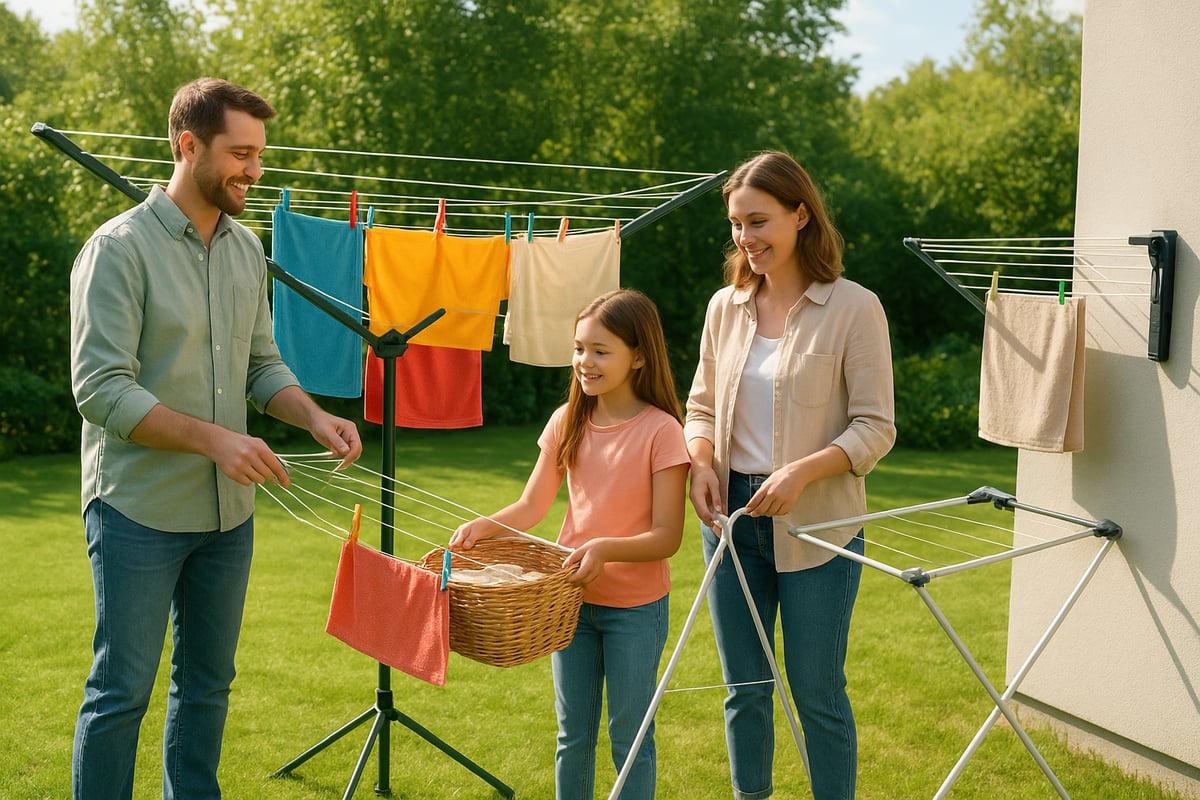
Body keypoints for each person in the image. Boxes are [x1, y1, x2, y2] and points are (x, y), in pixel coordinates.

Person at [68, 77, 363, 800]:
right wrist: (213, 442)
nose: (254, 172)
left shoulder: (245, 249)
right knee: (122, 692)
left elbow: (261, 365)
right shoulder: (118, 250)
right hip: (137, 508)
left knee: (207, 685)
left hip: (228, 515)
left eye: (259, 156)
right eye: (240, 154)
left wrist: (314, 417)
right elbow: (101, 389)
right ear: (187, 145)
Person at [684, 151, 896, 800]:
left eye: (758, 221)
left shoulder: (855, 308)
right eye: (736, 225)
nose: (745, 239)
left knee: (817, 693)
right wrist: (698, 461)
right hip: (730, 524)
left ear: (801, 215)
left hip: (817, 527)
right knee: (744, 691)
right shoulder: (725, 306)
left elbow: (875, 426)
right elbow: (700, 405)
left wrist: (802, 472)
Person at [451, 289, 691, 800]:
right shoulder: (568, 420)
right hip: (569, 604)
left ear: (639, 356)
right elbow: (532, 506)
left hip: (635, 609)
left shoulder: (662, 432)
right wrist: (485, 525)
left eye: (601, 350)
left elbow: (668, 537)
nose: (585, 361)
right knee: (572, 737)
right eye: (580, 348)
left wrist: (604, 548)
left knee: (630, 739)